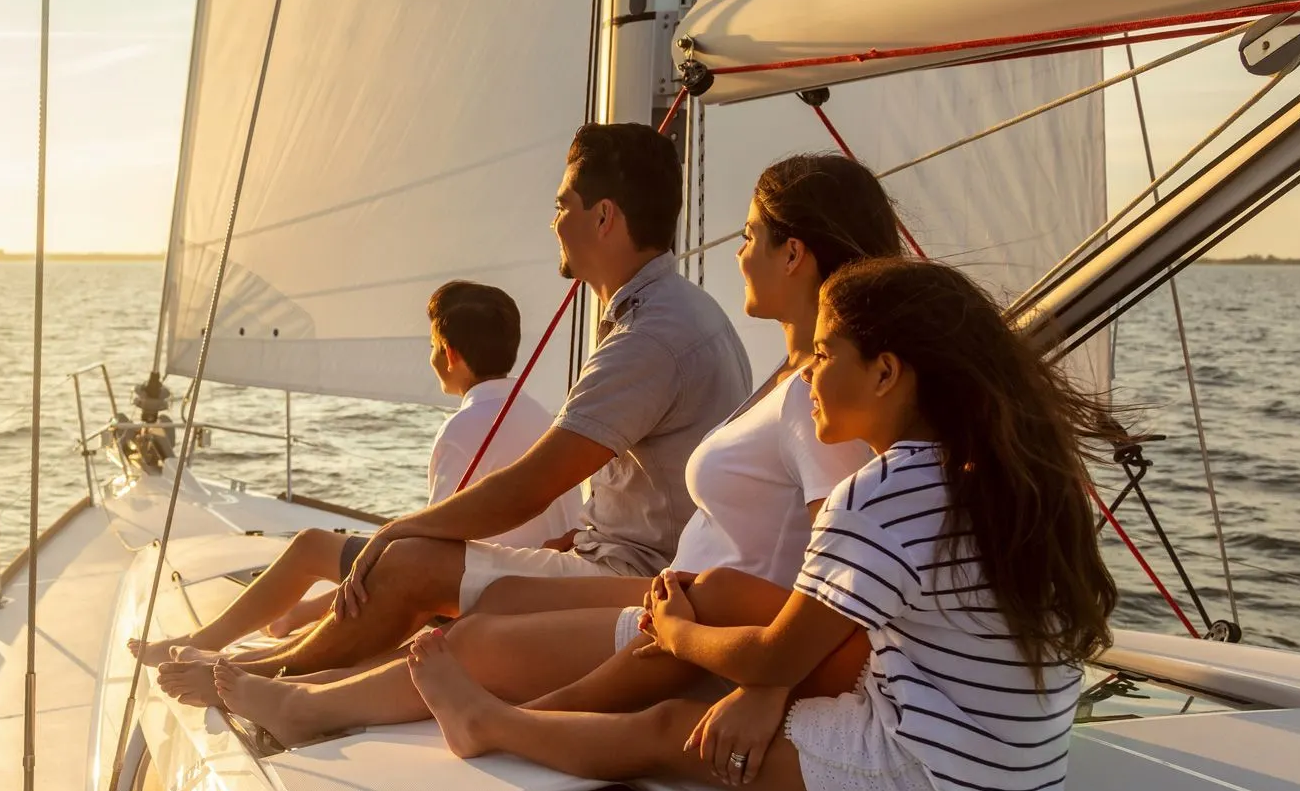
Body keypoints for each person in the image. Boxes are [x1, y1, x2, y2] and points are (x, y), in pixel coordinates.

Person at [409, 256, 1119, 791]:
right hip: (1014, 768)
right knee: (726, 594)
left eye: (824, 353)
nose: (805, 374)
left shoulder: (880, 492)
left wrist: (680, 634)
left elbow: (776, 657)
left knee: (668, 728)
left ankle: (489, 723)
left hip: (931, 780)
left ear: (885, 373)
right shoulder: (998, 473)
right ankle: (553, 710)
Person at [212, 153, 901, 745]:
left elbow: (836, 558)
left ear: (793, 254)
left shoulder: (816, 393)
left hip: (710, 619)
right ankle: (319, 680)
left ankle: (307, 703)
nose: (738, 250)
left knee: (468, 629)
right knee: (501, 598)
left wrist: (767, 682)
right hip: (684, 591)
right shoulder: (785, 376)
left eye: (751, 234)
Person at [159, 121, 750, 697]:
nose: (553, 222)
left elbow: (530, 488)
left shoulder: (646, 337)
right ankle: (274, 663)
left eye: (562, 204)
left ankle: (265, 677)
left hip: (640, 582)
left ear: (603, 217)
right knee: (421, 566)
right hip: (643, 563)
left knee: (409, 563)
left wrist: (402, 528)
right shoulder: (682, 314)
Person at [131, 280, 579, 663]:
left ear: (449, 353)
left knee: (310, 546)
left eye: (431, 347)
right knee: (371, 557)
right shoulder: (546, 417)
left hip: (473, 590)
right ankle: (295, 615)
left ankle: (203, 642)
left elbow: (426, 553)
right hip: (532, 583)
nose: (430, 357)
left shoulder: (463, 429)